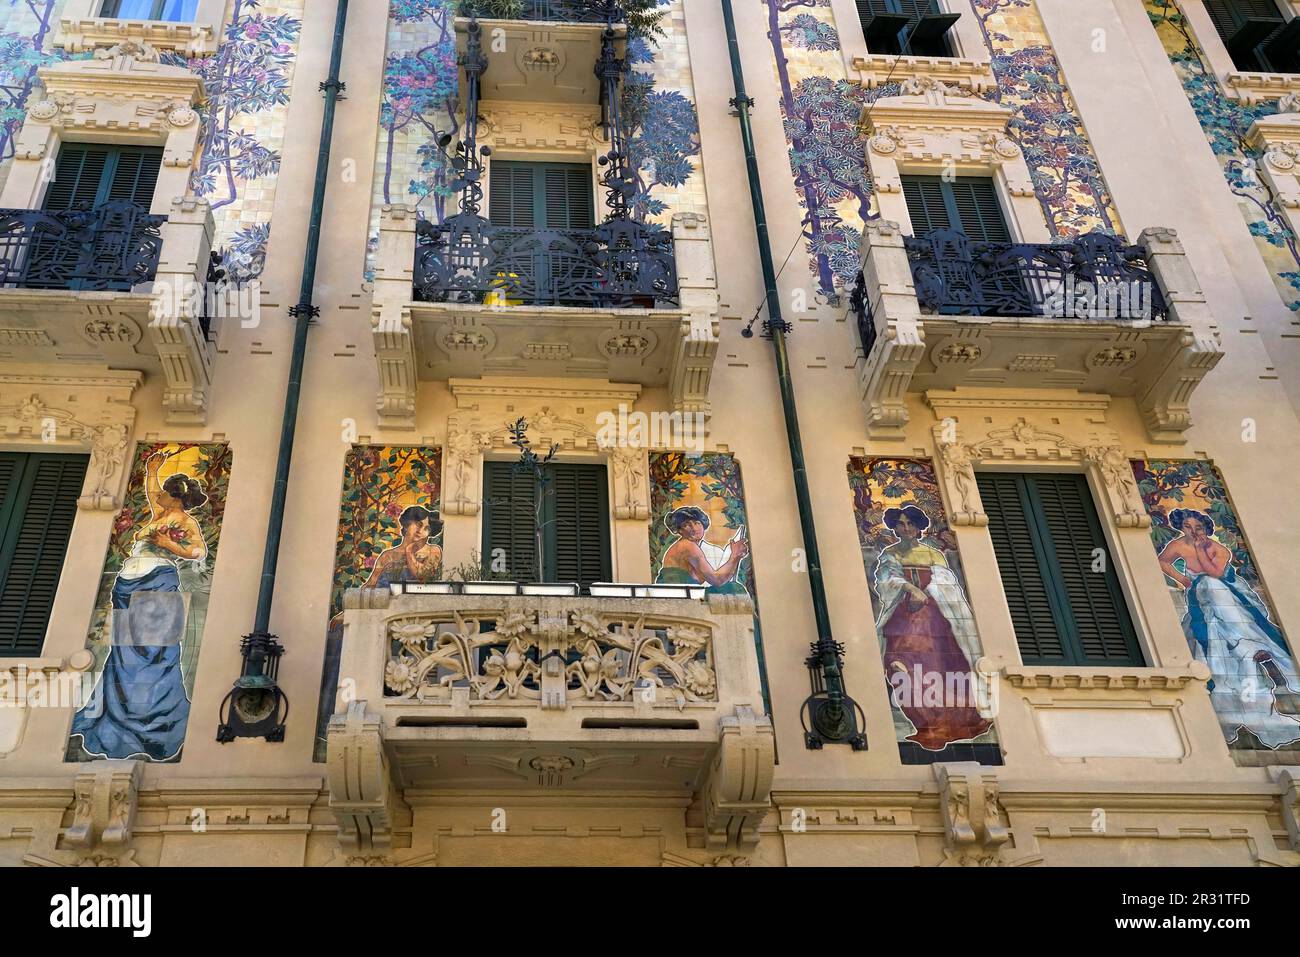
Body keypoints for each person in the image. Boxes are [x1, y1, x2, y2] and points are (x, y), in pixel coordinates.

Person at [71, 449, 207, 761]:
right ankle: (117, 716)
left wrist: (169, 544)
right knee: (123, 653)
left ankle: (149, 723)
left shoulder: (184, 522)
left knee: (153, 653)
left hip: (156, 585)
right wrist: (151, 469)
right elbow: (151, 492)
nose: (158, 497)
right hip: (131, 585)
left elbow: (198, 553)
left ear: (175, 499)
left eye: (164, 494)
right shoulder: (161, 515)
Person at [1158, 508, 1299, 748]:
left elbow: (1214, 573)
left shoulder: (1218, 549)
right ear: (1182, 527)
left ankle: (1243, 640)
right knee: (1208, 589)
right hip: (1201, 592)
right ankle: (1241, 641)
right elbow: (1162, 561)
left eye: (1197, 527)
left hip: (1225, 590)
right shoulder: (1177, 545)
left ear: (1205, 528)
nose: (1192, 532)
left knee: (1214, 587)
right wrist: (1183, 580)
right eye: (1188, 527)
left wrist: (1202, 551)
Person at [872, 504, 992, 751]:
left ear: (918, 528)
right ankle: (926, 721)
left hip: (936, 618)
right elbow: (887, 579)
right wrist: (910, 588)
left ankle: (953, 720)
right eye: (901, 524)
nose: (905, 529)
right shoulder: (890, 554)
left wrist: (928, 591)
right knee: (900, 663)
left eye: (910, 524)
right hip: (902, 616)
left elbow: (947, 585)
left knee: (942, 665)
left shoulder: (933, 554)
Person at [656, 506, 748, 595]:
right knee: (734, 588)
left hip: (683, 595)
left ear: (703, 525)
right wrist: (735, 556)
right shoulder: (688, 546)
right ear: (679, 530)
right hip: (679, 597)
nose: (694, 528)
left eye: (697, 523)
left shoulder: (684, 546)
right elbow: (717, 580)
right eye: (686, 525)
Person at [363, 505, 443, 589]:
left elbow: (423, 577)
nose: (420, 531)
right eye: (419, 524)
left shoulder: (433, 551)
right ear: (406, 524)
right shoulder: (387, 555)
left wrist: (409, 551)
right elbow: (371, 584)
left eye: (427, 529)